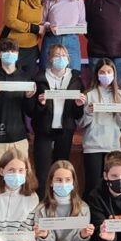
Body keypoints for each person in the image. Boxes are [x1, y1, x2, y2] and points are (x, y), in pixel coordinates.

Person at [31, 42, 86, 196]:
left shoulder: (76, 79)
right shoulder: (39, 78)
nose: (61, 58)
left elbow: (77, 114)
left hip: (65, 131)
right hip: (43, 130)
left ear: (68, 59)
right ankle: (43, 204)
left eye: (63, 55)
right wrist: (40, 104)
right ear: (49, 58)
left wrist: (78, 105)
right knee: (43, 174)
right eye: (57, 55)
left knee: (61, 172)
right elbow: (31, 110)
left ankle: (59, 202)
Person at [0, 38, 35, 181]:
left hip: (19, 139)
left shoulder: (26, 77)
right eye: (5, 51)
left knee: (20, 183)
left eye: (13, 51)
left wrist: (29, 97)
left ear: (18, 54)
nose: (9, 54)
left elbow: (30, 111)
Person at [81, 57, 121, 195]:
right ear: (96, 74)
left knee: (111, 186)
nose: (106, 75)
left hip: (113, 145)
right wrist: (88, 112)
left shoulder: (120, 95)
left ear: (114, 74)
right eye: (102, 72)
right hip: (92, 145)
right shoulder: (89, 94)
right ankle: (91, 208)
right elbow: (82, 123)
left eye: (109, 72)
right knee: (93, 185)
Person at [0, 0, 45, 71]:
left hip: (32, 47)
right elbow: (10, 20)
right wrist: (35, 28)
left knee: (30, 78)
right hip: (11, 47)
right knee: (11, 78)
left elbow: (40, 20)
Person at [41, 0, 86, 72]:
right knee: (47, 72)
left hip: (72, 40)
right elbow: (41, 22)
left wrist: (81, 28)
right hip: (52, 39)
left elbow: (82, 23)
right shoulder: (49, 0)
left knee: (74, 73)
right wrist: (49, 26)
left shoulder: (78, 1)